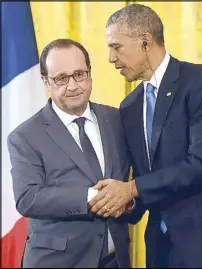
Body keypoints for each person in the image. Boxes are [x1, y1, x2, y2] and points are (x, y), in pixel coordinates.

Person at [88, 4, 202, 268]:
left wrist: (132, 189)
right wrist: (124, 202)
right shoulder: (129, 107)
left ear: (145, 41)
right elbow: (143, 180)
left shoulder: (201, 82)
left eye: (116, 47)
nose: (110, 58)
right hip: (159, 248)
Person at [7, 39, 134, 268]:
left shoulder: (116, 120)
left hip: (117, 260)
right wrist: (90, 198)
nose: (73, 85)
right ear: (46, 81)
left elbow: (131, 181)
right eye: (61, 79)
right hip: (58, 262)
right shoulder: (25, 136)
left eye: (79, 74)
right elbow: (28, 198)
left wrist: (129, 199)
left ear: (90, 73)